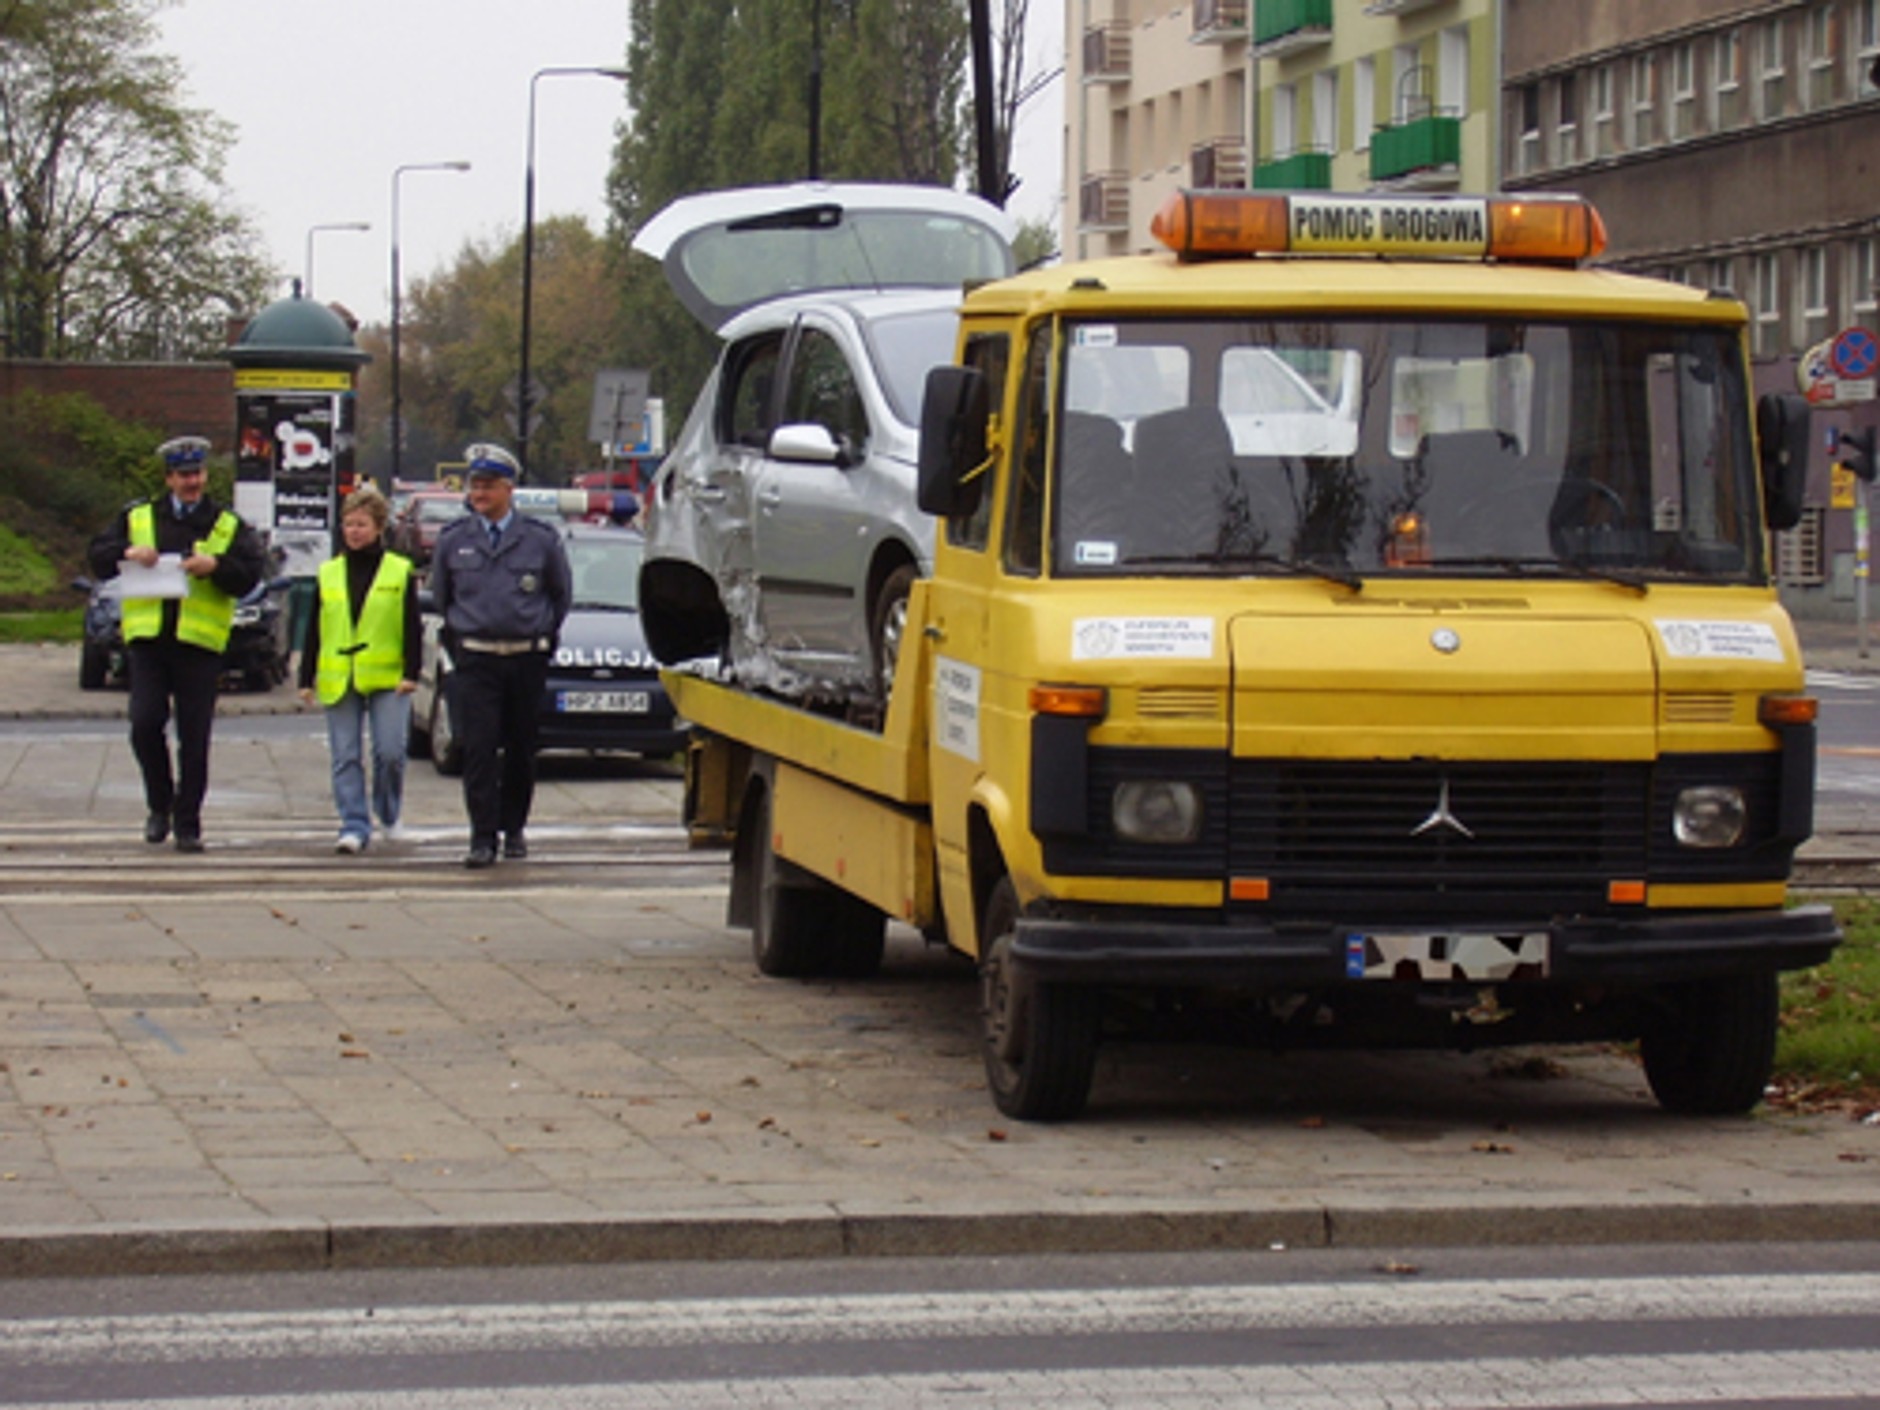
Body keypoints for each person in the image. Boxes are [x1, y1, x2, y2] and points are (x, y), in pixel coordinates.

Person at [88, 436, 267, 852]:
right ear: (169, 478)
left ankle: (188, 823)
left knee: (195, 736)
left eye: (198, 473)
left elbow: (249, 574)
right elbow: (98, 555)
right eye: (185, 475)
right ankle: (159, 803)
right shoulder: (139, 517)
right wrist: (129, 551)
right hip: (150, 641)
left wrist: (216, 566)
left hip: (199, 645)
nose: (193, 482)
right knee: (145, 723)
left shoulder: (226, 523)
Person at [428, 442, 571, 869]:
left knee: (521, 747)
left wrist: (539, 634)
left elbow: (559, 596)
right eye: (475, 486)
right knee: (478, 748)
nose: (479, 494)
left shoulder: (540, 540)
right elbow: (442, 597)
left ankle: (514, 828)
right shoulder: (455, 540)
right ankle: (481, 836)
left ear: (509, 489)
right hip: (476, 659)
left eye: (488, 486)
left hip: (525, 657)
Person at [297, 484, 421, 854]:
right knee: (346, 754)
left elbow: (411, 624)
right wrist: (306, 678)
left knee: (390, 752)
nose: (354, 531)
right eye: (348, 524)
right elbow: (315, 627)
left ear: (378, 527)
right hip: (341, 673)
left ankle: (389, 812)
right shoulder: (330, 572)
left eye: (362, 524)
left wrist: (412, 672)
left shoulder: (399, 571)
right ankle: (353, 823)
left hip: (387, 675)